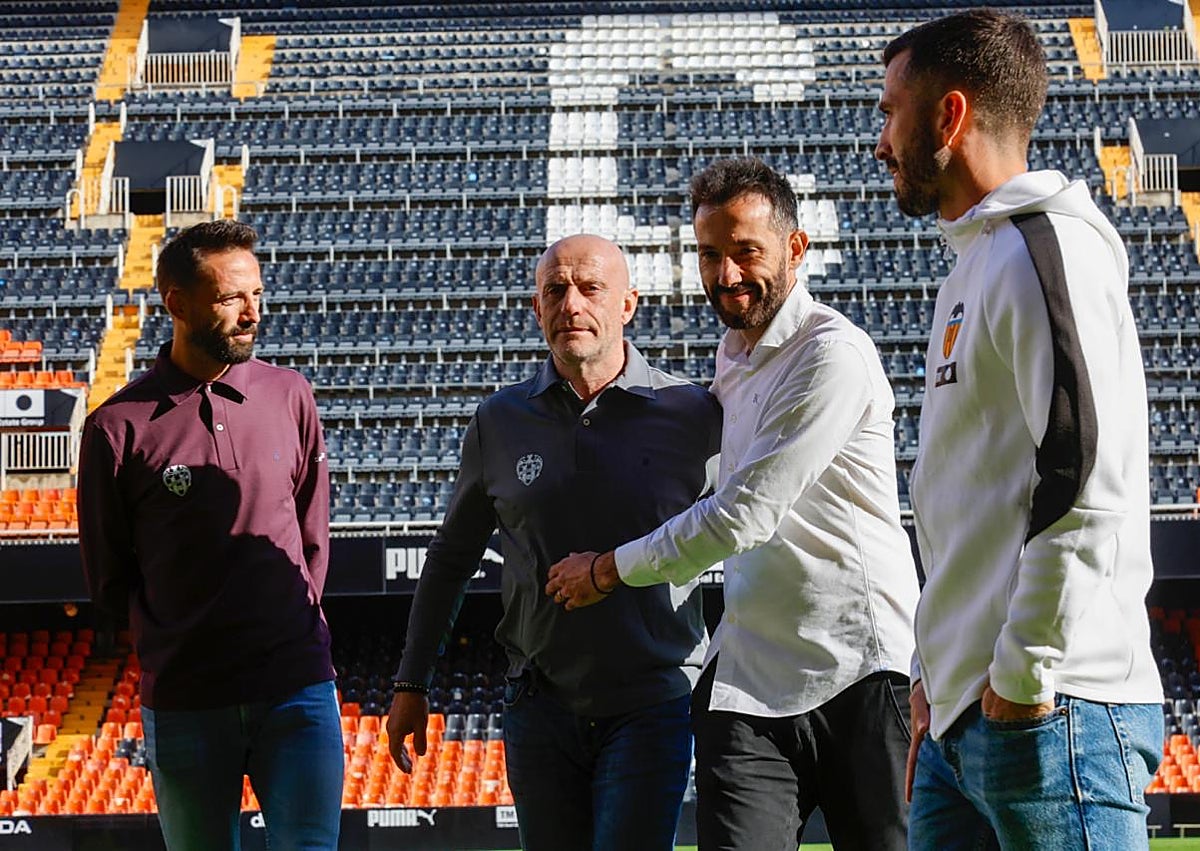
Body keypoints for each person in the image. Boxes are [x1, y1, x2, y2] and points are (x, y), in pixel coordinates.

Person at [547, 158, 919, 851]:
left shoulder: (833, 354)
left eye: (746, 250)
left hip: (860, 666)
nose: (725, 274)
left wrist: (607, 568)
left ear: (796, 248)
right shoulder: (731, 355)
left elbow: (744, 513)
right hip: (750, 679)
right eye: (709, 254)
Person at [874, 10, 1163, 849]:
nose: (881, 142)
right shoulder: (974, 262)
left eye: (891, 113)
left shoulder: (1045, 247)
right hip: (964, 716)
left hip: (1050, 710)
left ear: (949, 116)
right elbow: (972, 498)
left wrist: (1025, 671)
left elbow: (1083, 473)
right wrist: (935, 672)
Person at [385, 234, 722, 851]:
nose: (572, 304)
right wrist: (412, 681)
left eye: (591, 288)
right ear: (536, 308)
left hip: (652, 701)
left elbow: (746, 529)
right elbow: (451, 560)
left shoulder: (694, 413)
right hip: (538, 706)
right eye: (555, 290)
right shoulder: (499, 421)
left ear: (628, 304)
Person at [77, 220, 342, 851]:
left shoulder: (290, 394)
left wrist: (288, 625)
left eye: (257, 293)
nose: (253, 312)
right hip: (186, 701)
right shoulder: (116, 427)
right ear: (177, 303)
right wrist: (183, 637)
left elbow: (312, 536)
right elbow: (110, 578)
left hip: (298, 689)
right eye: (230, 298)